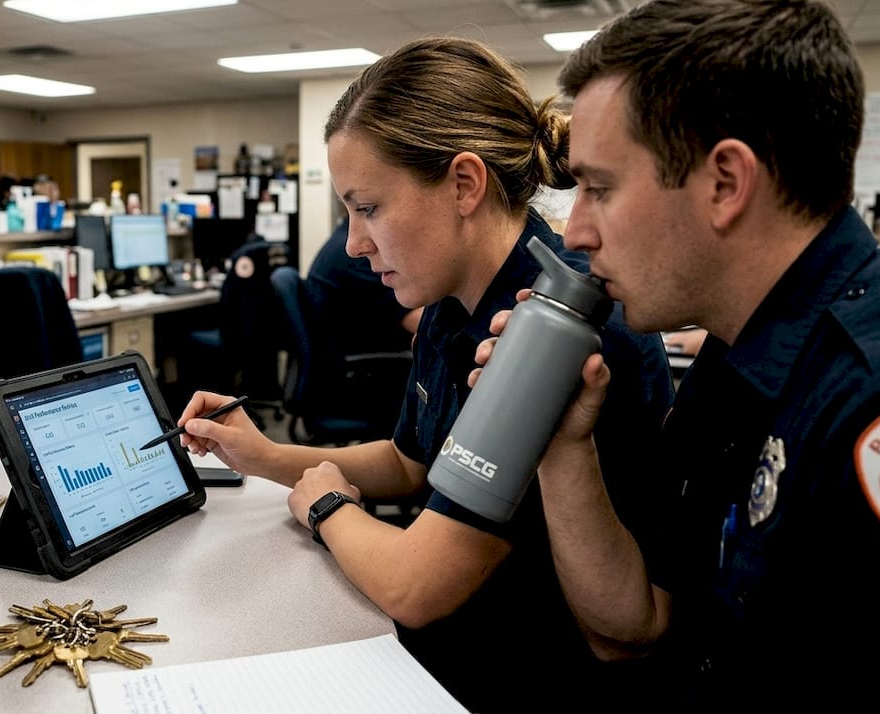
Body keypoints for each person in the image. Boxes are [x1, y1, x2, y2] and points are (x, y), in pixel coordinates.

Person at [177, 37, 674, 711]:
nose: (352, 243)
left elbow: (418, 586)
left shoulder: (548, 326)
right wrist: (265, 457)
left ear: (465, 185)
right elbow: (414, 462)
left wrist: (326, 506)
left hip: (528, 676)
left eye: (370, 207)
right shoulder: (449, 301)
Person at [489, 0, 880, 708]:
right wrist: (559, 442)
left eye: (599, 188)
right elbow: (636, 627)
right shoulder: (735, 351)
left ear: (725, 184)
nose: (574, 231)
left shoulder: (867, 397)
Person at [307, 215, 422, 354]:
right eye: (369, 208)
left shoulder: (341, 240)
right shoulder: (357, 258)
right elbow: (420, 321)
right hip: (375, 363)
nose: (352, 247)